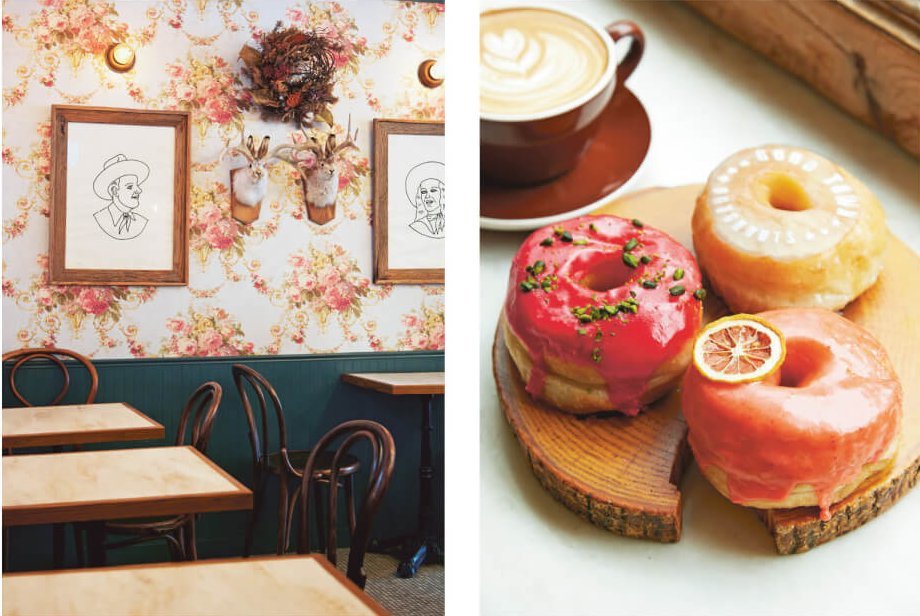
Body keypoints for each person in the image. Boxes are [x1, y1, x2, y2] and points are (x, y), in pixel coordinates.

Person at [92, 154, 150, 240]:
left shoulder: (142, 221)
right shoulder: (99, 218)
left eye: (137, 185)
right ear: (114, 191)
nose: (139, 190)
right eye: (130, 187)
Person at [406, 161, 445, 239]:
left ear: (442, 193)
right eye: (423, 192)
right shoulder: (417, 226)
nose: (427, 196)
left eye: (433, 190)